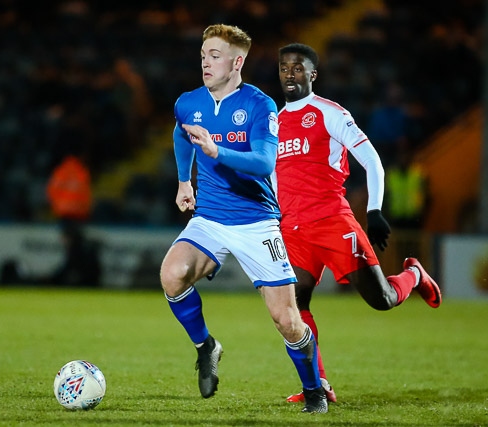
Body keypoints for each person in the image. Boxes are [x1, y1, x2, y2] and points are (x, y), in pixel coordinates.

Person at [159, 25, 327, 414]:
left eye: (215, 55)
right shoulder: (189, 102)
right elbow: (182, 133)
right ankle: (207, 347)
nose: (205, 61)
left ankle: (314, 390)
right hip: (211, 217)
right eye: (203, 54)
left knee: (286, 319)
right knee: (172, 274)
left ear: (237, 62)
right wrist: (185, 180)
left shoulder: (259, 105)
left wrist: (216, 151)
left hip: (256, 221)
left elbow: (264, 162)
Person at [275, 43, 442, 404]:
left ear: (312, 74)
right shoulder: (273, 123)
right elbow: (276, 176)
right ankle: (317, 384)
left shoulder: (329, 113)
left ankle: (413, 274)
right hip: (293, 228)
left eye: (298, 68)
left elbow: (372, 160)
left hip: (333, 221)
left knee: (381, 299)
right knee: (295, 303)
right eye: (285, 68)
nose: (290, 73)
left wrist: (374, 211)